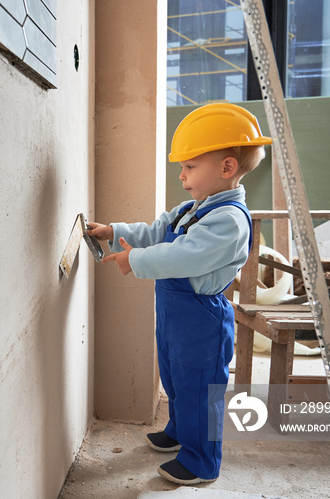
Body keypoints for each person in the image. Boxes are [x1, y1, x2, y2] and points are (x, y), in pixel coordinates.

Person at [87, 103, 272, 485]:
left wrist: (135, 260)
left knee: (199, 386)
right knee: (173, 375)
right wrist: (114, 230)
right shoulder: (195, 207)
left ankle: (201, 461)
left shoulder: (230, 220)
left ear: (226, 168)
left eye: (190, 167)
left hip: (201, 317)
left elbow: (184, 255)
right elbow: (159, 231)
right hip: (175, 313)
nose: (183, 175)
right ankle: (178, 432)